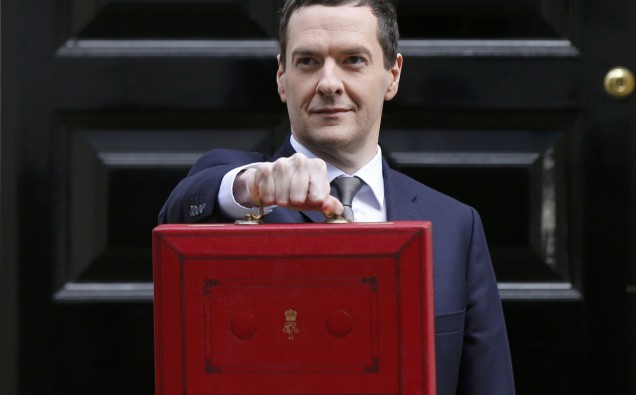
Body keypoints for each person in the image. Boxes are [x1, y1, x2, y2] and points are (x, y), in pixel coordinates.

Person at [158, 0, 515, 393]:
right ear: (282, 77)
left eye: (353, 60)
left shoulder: (455, 224)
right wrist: (254, 186)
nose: (328, 83)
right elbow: (179, 212)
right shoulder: (241, 187)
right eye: (308, 61)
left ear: (392, 74)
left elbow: (487, 381)